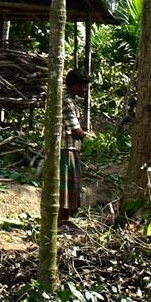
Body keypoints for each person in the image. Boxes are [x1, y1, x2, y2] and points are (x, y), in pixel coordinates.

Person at [61, 69, 90, 228]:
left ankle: (65, 220)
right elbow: (75, 130)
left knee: (70, 187)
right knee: (65, 187)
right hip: (66, 148)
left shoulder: (70, 99)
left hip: (71, 147)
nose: (84, 90)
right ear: (73, 86)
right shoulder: (67, 101)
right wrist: (88, 137)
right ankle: (61, 221)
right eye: (82, 87)